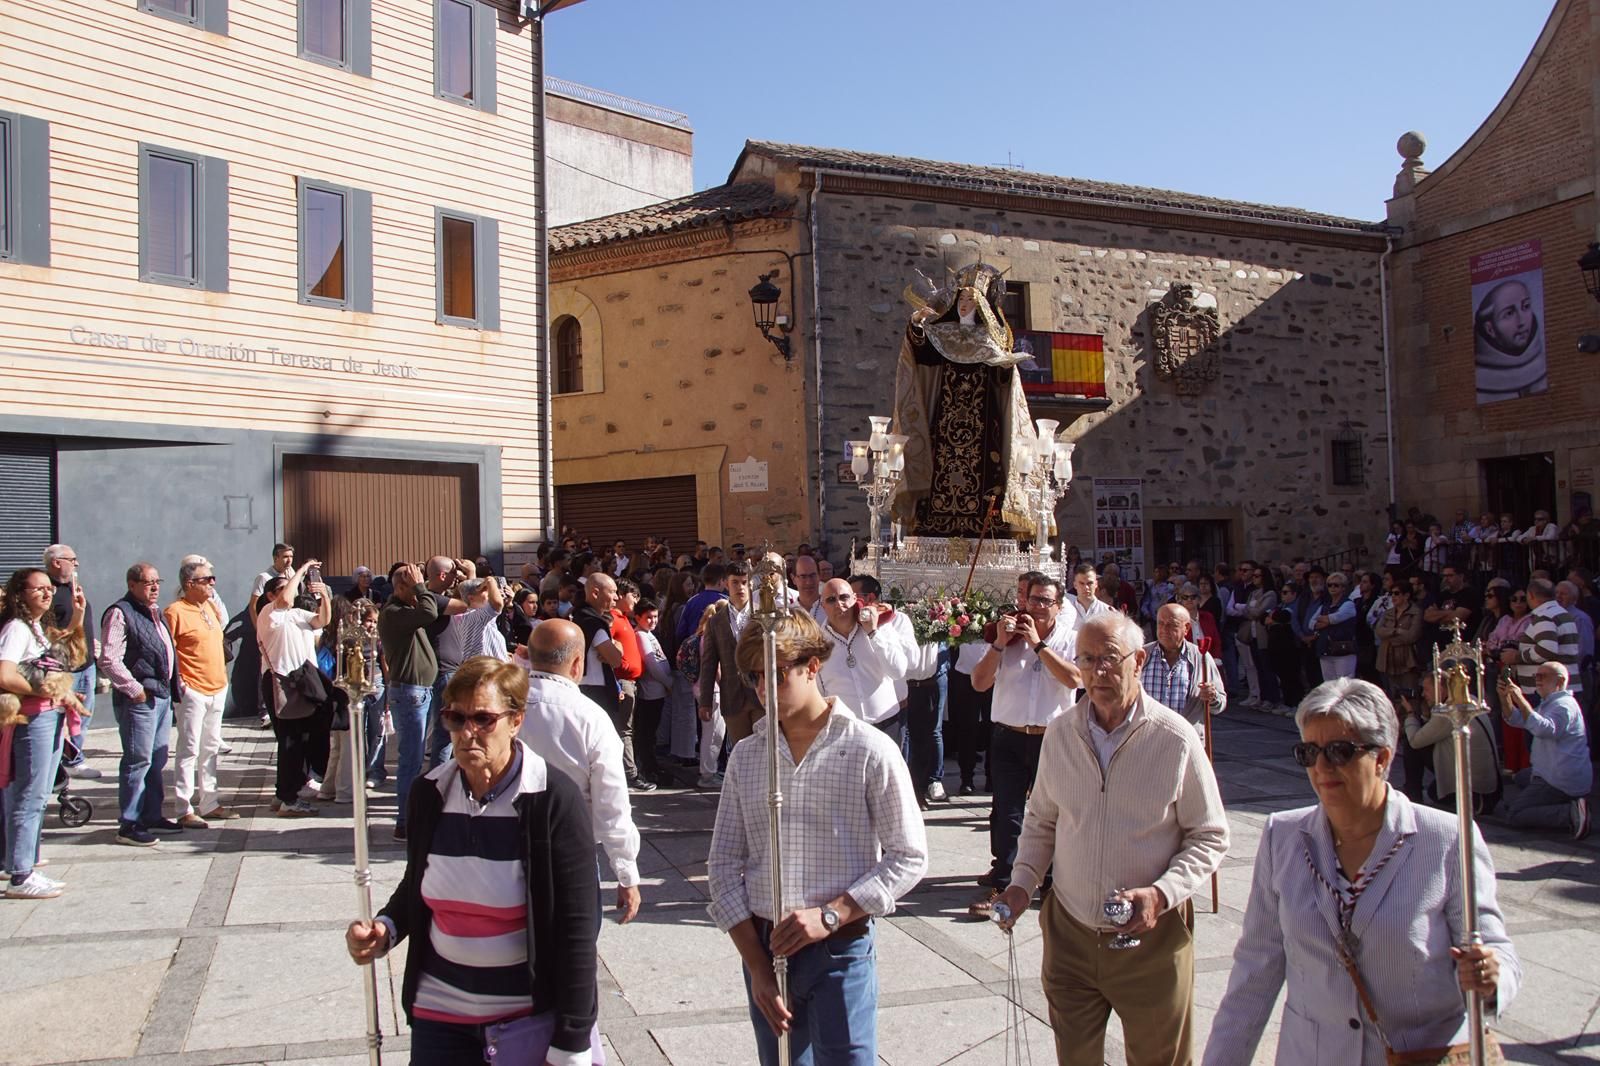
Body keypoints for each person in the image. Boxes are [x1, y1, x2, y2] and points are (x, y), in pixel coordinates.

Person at [1203, 678, 1520, 1065]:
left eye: (1339, 751)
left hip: (1418, 1055)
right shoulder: (1282, 836)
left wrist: (1491, 978)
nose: (1321, 767)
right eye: (1309, 752)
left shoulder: (1447, 839)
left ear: (1383, 758)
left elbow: (1494, 950)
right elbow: (1255, 972)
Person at [995, 612, 1229, 1066]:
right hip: (1071, 933)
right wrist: (1022, 883)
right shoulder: (1062, 731)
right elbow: (1042, 819)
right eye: (1086, 659)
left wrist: (1163, 894)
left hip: (1152, 941)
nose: (1097, 671)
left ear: (1138, 660)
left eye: (1109, 658)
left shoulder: (1175, 738)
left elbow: (1210, 835)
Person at [345, 657, 601, 1065]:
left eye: (484, 719)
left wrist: (572, 1041)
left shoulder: (553, 799)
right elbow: (420, 880)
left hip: (523, 1020)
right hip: (438, 1017)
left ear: (515, 720)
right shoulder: (429, 792)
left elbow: (578, 928)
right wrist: (387, 927)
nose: (467, 733)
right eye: (455, 718)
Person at [707, 608, 927, 1065]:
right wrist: (756, 965)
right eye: (754, 677)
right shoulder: (748, 755)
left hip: (839, 946)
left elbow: (908, 856)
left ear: (812, 666)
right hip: (766, 942)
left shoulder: (869, 748)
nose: (765, 689)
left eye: (777, 674)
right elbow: (723, 863)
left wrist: (833, 914)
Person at [968, 576, 1084, 917]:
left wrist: (1038, 645)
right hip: (1008, 733)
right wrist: (1000, 645)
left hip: (1054, 737)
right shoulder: (1006, 636)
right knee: (1007, 812)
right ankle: (1004, 884)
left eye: (1044, 601)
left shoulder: (1070, 639)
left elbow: (1075, 680)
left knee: (1055, 812)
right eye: (1032, 599)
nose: (1035, 606)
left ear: (1059, 607)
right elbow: (978, 683)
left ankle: (1051, 884)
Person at [519, 621, 643, 922]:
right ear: (578, 664)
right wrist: (626, 872)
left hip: (501, 849)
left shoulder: (501, 707)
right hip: (569, 852)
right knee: (572, 951)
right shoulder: (590, 717)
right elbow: (611, 802)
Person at [1, 568, 86, 897]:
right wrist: (47, 692)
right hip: (32, 720)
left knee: (33, 795)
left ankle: (22, 861)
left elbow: (63, 652)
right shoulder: (17, 629)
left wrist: (77, 614)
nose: (47, 594)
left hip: (46, 717)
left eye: (49, 589)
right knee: (29, 796)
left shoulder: (35, 628)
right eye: (38, 589)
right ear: (21, 594)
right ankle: (21, 875)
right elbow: (5, 674)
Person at [99, 562, 184, 846]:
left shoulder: (155, 612)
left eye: (157, 582)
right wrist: (134, 689)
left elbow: (165, 651)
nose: (155, 587)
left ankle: (151, 815)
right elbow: (110, 658)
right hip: (140, 699)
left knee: (157, 760)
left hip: (160, 697)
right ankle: (130, 823)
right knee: (138, 761)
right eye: (148, 583)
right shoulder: (120, 613)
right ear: (132, 584)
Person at [257, 559, 334, 817]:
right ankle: (289, 798)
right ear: (271, 594)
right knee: (290, 742)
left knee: (299, 742)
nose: (291, 590)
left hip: (303, 682)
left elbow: (322, 619)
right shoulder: (269, 612)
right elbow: (285, 600)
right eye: (283, 587)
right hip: (282, 682)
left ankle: (284, 793)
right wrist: (300, 570)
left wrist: (323, 596)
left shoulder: (298, 614)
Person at [164, 558, 238, 827]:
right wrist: (180, 683)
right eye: (207, 580)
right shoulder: (175, 611)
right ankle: (183, 807)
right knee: (189, 749)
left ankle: (210, 802)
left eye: (212, 578)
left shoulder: (209, 607)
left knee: (210, 748)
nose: (212, 584)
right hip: (193, 689)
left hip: (217, 686)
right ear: (189, 584)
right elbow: (167, 652)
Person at [378, 563, 441, 841]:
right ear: (400, 587)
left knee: (415, 759)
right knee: (411, 761)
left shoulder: (405, 611)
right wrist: (421, 587)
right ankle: (404, 821)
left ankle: (413, 816)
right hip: (410, 692)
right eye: (413, 586)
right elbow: (430, 611)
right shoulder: (392, 614)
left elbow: (433, 608)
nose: (418, 592)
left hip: (420, 691)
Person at [1500, 662, 1591, 838]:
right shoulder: (1549, 703)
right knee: (1520, 777)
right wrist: (1505, 698)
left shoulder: (1563, 706)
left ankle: (1570, 813)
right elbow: (1518, 718)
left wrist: (1519, 698)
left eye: (1544, 676)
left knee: (1514, 815)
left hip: (1559, 779)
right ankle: (1560, 803)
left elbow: (1543, 729)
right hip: (1549, 772)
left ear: (1560, 680)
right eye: (1537, 676)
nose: (1538, 680)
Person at [815, 578, 912, 742]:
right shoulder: (817, 643)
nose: (839, 604)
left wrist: (873, 634)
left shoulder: (879, 625)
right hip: (845, 732)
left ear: (854, 598)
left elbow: (898, 671)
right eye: (831, 600)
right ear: (823, 606)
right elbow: (818, 693)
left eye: (844, 597)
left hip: (887, 725)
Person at [1401, 673, 1500, 816]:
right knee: (1434, 792)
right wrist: (1425, 713)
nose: (1423, 694)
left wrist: (1410, 713)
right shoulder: (1469, 699)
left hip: (1477, 791)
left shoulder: (1450, 710)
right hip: (1490, 786)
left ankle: (1413, 796)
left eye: (1427, 690)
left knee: (1411, 746)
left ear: (1441, 689)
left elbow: (1416, 741)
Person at [43, 544, 99, 779]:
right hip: (65, 669)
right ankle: (65, 762)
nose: (76, 564)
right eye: (71, 559)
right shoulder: (46, 592)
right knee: (61, 720)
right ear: (56, 563)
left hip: (86, 665)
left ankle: (73, 757)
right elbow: (47, 632)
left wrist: (91, 641)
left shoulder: (73, 588)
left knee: (82, 716)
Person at [1141, 603, 1226, 745]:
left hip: (1186, 743)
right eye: (1160, 623)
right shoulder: (1142, 656)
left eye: (1172, 625)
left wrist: (1212, 697)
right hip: (1148, 742)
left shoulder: (1201, 658)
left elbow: (1220, 704)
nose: (1164, 629)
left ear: (1186, 628)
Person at [698, 561, 762, 745]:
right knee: (741, 753)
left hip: (761, 694)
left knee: (765, 751)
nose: (740, 587)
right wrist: (705, 701)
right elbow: (709, 662)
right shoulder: (716, 621)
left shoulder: (763, 616)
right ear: (726, 583)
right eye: (735, 582)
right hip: (733, 696)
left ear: (751, 584)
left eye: (744, 582)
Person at [632, 600, 674, 787]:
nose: (653, 620)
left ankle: (651, 764)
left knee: (652, 731)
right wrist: (668, 682)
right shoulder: (640, 635)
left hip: (659, 691)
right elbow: (652, 664)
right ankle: (648, 766)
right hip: (651, 691)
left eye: (655, 616)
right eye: (648, 617)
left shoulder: (649, 634)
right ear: (638, 617)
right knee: (647, 732)